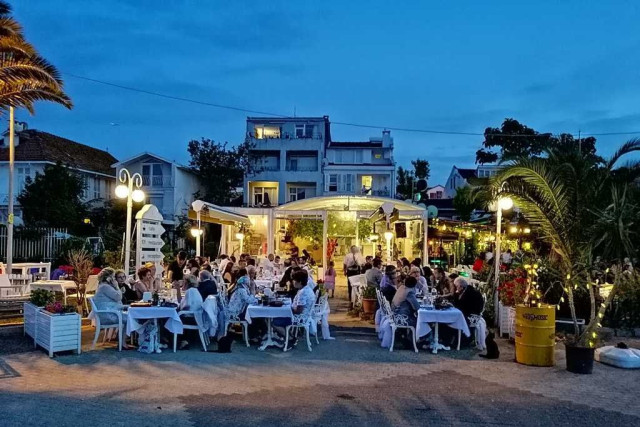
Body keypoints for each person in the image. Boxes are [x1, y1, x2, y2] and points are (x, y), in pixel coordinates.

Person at [273, 269, 316, 350]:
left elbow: (298, 310)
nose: (293, 282)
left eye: (294, 280)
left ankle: (289, 338)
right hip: (305, 316)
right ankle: (290, 336)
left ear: (299, 282)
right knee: (278, 316)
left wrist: (287, 309)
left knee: (274, 321)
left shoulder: (303, 293)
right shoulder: (307, 289)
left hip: (299, 318)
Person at [176, 274, 205, 350]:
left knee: (171, 317)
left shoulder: (190, 291)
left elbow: (185, 305)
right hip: (197, 316)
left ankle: (176, 340)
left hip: (191, 317)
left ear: (187, 282)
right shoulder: (195, 290)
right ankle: (182, 340)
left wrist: (178, 289)